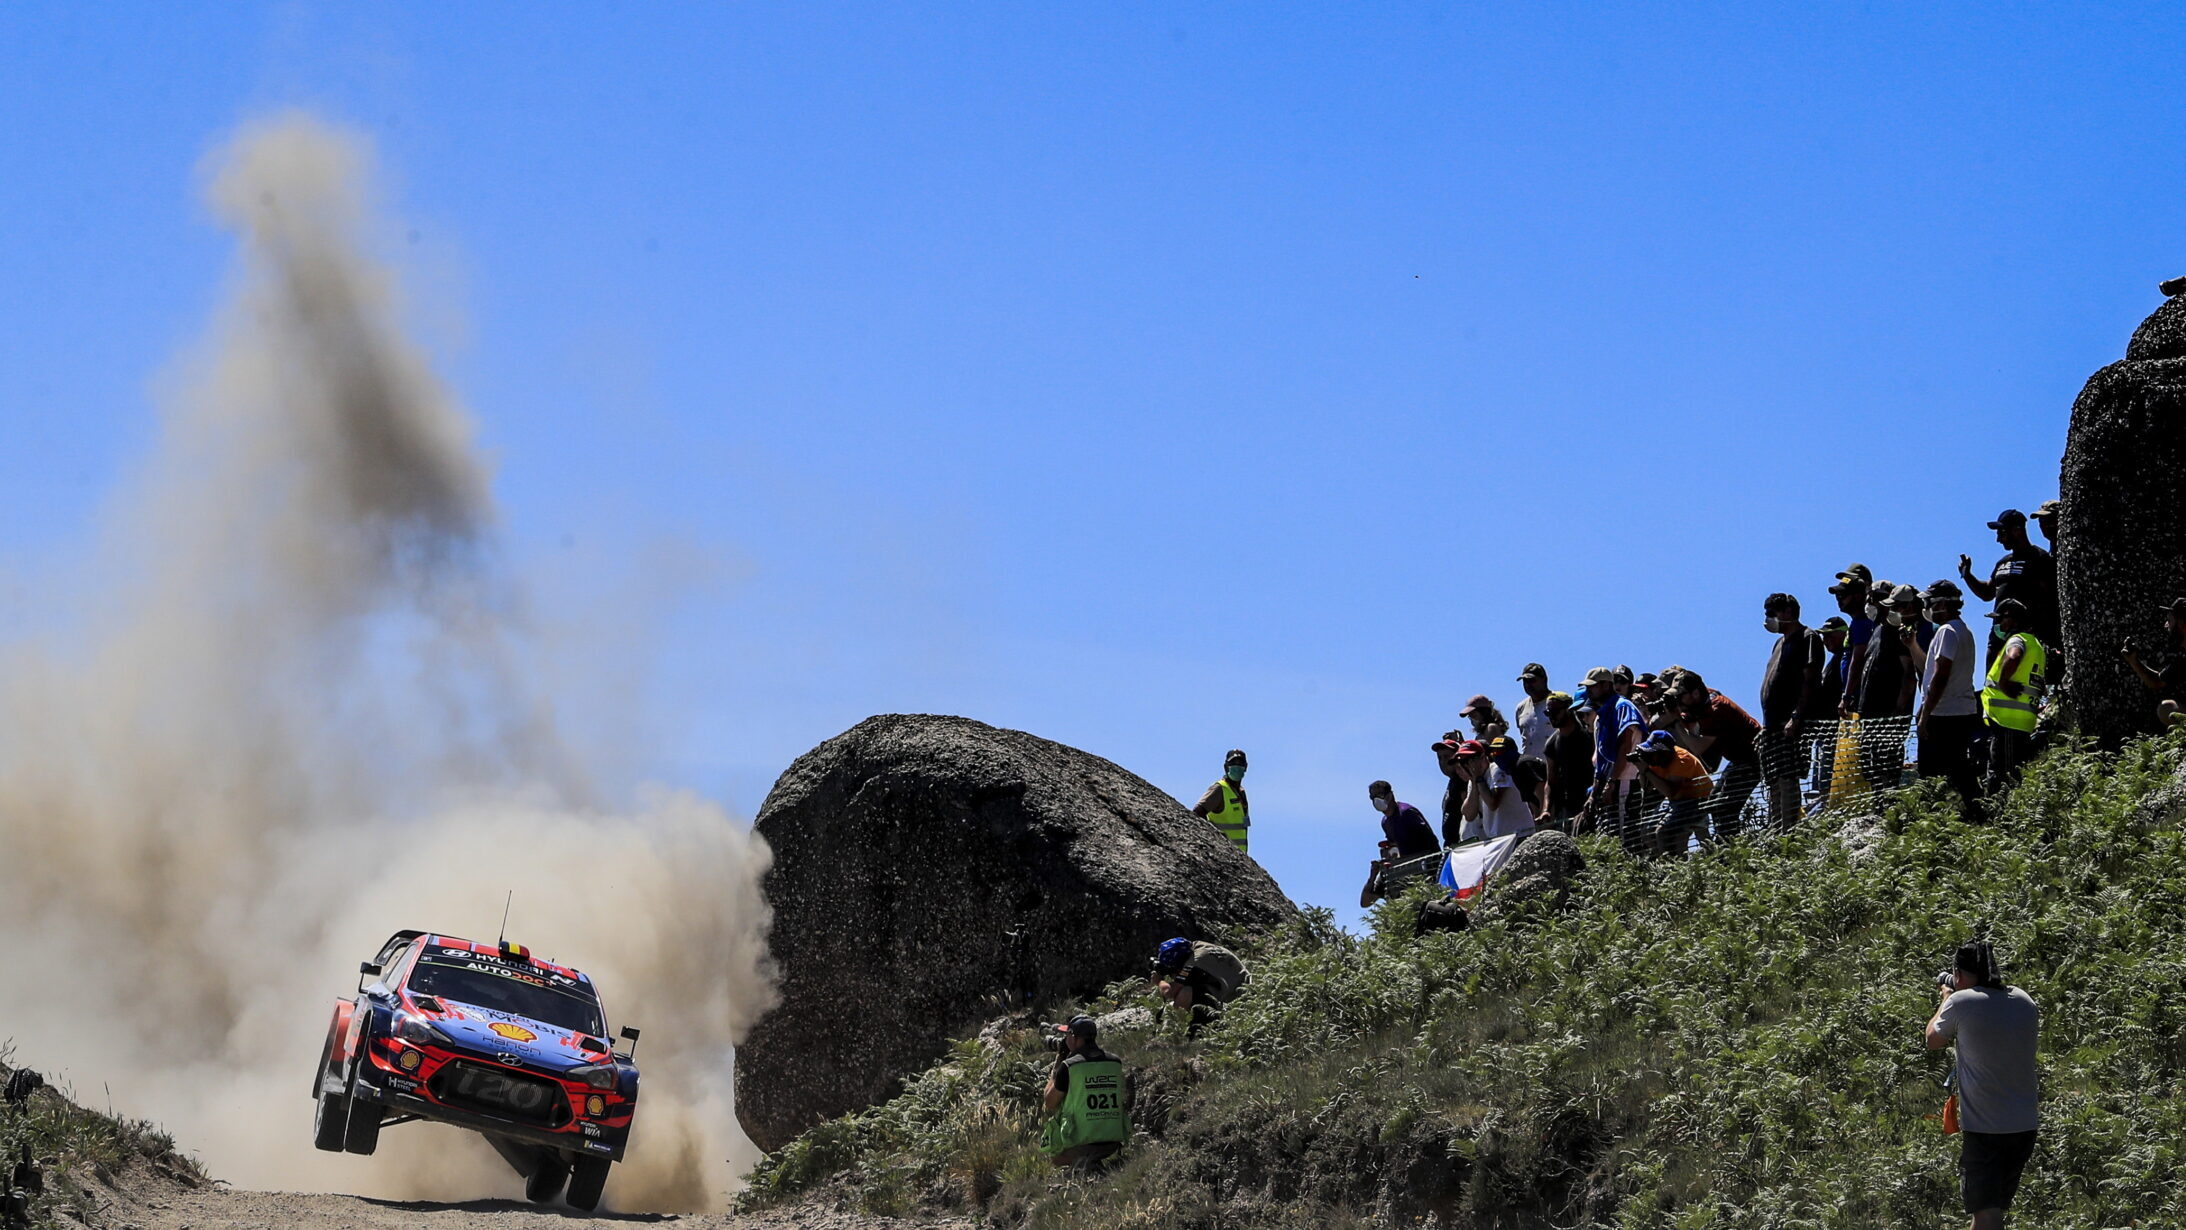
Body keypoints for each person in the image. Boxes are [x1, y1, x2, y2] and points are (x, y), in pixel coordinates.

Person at [1925, 940, 2039, 1229]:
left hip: (1986, 1129)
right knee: (1990, 1212)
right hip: (2024, 1127)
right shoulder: (2024, 1000)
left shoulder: (1961, 1002)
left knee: (1986, 1214)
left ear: (1959, 975)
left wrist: (1946, 996)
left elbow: (1932, 1040)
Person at [1916, 581, 1985, 823]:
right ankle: (1974, 815)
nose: (1927, 608)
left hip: (1944, 714)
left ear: (1943, 604)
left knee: (1933, 775)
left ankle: (1940, 823)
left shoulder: (1946, 632)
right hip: (1962, 710)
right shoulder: (1963, 630)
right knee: (1959, 770)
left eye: (1929, 603)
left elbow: (1941, 674)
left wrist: (1925, 715)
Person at [1758, 593, 1826, 829]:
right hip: (1772, 726)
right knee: (1774, 780)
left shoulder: (1808, 638)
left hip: (1791, 726)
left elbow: (1811, 681)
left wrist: (1797, 717)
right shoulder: (1780, 642)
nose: (1768, 619)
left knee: (1788, 778)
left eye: (1772, 613)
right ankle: (1776, 829)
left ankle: (1790, 830)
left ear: (1787, 612)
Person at [1959, 509, 2058, 665]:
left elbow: (2051, 599)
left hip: (2026, 636)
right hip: (1999, 635)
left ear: (2017, 530)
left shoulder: (2040, 559)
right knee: (1993, 683)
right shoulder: (2003, 562)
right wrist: (1967, 575)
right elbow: (1987, 593)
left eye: (2002, 532)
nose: (1999, 539)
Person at [1671, 672, 1763, 841]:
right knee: (1714, 801)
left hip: (1753, 759)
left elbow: (1697, 747)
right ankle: (1726, 844)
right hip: (1739, 759)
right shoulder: (1704, 699)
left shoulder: (1716, 709)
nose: (1679, 701)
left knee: (1726, 807)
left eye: (1680, 696)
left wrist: (1676, 722)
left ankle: (1731, 848)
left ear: (1695, 693)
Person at [1040, 1015, 1129, 1169]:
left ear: (1074, 1038)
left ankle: (1085, 1166)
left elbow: (1049, 1102)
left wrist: (1059, 1060)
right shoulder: (1115, 1062)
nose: (1065, 1040)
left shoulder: (1069, 1066)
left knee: (1053, 1160)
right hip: (1113, 1142)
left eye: (1067, 1035)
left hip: (1082, 1143)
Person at [1981, 599, 2048, 796]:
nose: (1999, 625)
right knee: (2011, 773)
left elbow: (2013, 656)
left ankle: (2001, 819)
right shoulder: (2036, 644)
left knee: (2003, 778)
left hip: (2007, 721)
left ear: (2012, 619)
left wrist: (2004, 683)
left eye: (2001, 619)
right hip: (2019, 721)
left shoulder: (2017, 640)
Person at [1579, 667, 1647, 842]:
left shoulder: (1622, 707)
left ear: (1606, 685)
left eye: (1592, 686)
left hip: (1624, 781)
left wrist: (1613, 782)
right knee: (1608, 835)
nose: (1589, 691)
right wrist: (1594, 792)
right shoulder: (1602, 715)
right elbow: (1602, 760)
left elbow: (1625, 745)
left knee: (1625, 837)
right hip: (1610, 783)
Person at [1631, 729, 1711, 856]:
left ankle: (1674, 868)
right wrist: (1642, 770)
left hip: (1696, 800)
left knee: (1665, 833)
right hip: (1677, 799)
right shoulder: (1656, 758)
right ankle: (1662, 860)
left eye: (1652, 753)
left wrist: (1647, 771)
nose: (1650, 756)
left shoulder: (1681, 760)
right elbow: (1647, 788)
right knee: (1647, 831)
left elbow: (1670, 792)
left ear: (1663, 752)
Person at [1151, 938, 1247, 1037]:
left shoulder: (1192, 964)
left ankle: (1187, 1032)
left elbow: (1169, 993)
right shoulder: (1199, 946)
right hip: (1244, 985)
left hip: (1237, 996)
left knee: (1186, 991)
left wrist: (1159, 981)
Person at [2121, 597, 2186, 728]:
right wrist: (2134, 660)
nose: (2166, 625)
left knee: (2166, 709)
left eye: (2169, 620)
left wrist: (2133, 662)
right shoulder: (2181, 655)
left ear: (2182, 623)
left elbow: (2157, 683)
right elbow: (2159, 680)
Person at [1455, 739, 1532, 841]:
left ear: (1482, 757)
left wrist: (1479, 779)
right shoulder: (1474, 780)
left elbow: (1493, 803)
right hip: (1499, 838)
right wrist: (1474, 782)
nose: (1467, 766)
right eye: (1462, 762)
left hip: (1519, 833)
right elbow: (1469, 815)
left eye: (1470, 760)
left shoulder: (1497, 770)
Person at [1537, 692, 1593, 831]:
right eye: (1548, 713)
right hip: (1568, 808)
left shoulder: (1587, 735)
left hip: (1591, 800)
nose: (1551, 717)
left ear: (1569, 709)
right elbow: (1551, 781)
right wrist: (1546, 809)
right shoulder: (1552, 744)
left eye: (1555, 712)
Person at [1831, 564, 1878, 720]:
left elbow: (1858, 660)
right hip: (1855, 699)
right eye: (1837, 596)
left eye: (1843, 595)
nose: (1839, 600)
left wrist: (1847, 696)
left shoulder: (1863, 623)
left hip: (1859, 701)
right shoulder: (1856, 622)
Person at [1191, 750, 1251, 854]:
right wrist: (1215, 837)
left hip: (1239, 856)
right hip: (1222, 852)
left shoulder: (1241, 792)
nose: (1237, 767)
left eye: (1240, 764)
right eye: (1233, 764)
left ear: (1245, 767)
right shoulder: (1219, 789)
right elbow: (1198, 811)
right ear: (1226, 767)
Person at [1369, 780, 1437, 860]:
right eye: (1373, 797)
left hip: (1426, 863)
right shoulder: (1385, 822)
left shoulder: (1407, 812)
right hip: (1407, 866)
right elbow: (1395, 845)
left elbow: (1430, 839)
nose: (1376, 800)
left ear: (1390, 795)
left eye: (1379, 795)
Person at [1513, 664, 1554, 758]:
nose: (1528, 685)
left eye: (1532, 681)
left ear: (1544, 680)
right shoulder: (1521, 708)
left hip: (1555, 766)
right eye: (1525, 681)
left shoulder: (1557, 702)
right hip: (1530, 767)